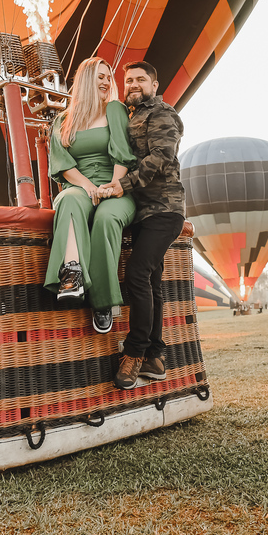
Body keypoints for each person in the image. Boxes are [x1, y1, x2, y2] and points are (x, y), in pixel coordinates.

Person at [102, 61, 186, 389]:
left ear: (154, 83)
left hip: (165, 210)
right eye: (129, 79)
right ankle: (156, 356)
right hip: (142, 212)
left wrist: (121, 186)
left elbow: (161, 157)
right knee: (151, 282)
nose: (134, 83)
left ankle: (134, 352)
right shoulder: (128, 112)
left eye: (140, 79)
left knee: (137, 272)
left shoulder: (162, 113)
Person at [45, 57, 136, 334]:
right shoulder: (63, 120)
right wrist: (86, 186)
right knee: (68, 199)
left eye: (109, 77)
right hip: (80, 186)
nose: (107, 81)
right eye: (100, 77)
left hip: (116, 186)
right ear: (85, 81)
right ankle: (72, 274)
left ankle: (103, 302)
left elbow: (123, 152)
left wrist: (112, 185)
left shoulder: (115, 110)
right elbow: (61, 162)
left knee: (106, 219)